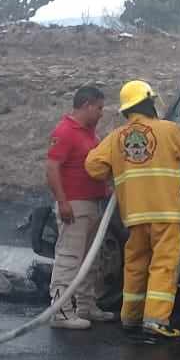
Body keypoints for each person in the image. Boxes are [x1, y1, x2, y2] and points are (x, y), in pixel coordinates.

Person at [84, 79, 180, 342]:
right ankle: (155, 321)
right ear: (149, 102)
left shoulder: (116, 138)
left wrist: (118, 168)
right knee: (163, 266)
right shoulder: (169, 130)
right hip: (165, 212)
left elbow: (93, 166)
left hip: (135, 215)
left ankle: (130, 317)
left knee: (135, 265)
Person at [45, 85, 114, 330]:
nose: (101, 113)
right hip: (75, 204)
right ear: (86, 105)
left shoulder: (90, 134)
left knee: (91, 259)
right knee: (69, 258)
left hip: (94, 203)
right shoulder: (65, 131)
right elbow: (52, 167)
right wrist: (63, 201)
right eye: (99, 108)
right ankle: (61, 312)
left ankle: (85, 306)